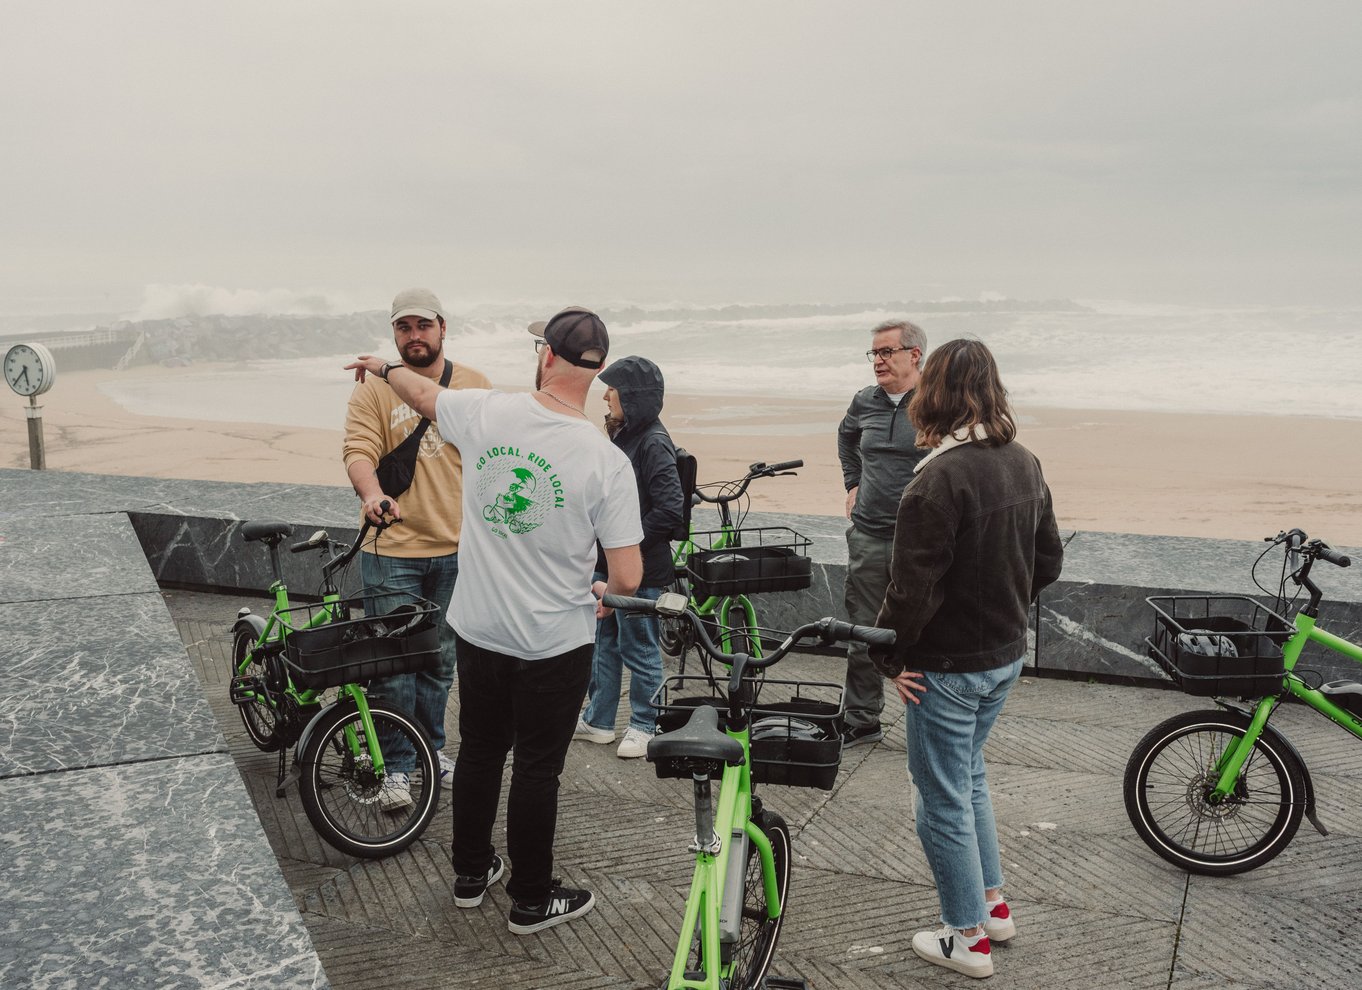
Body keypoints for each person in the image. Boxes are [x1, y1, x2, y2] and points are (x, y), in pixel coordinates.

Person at [345, 305, 643, 935]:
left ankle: (471, 874)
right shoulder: (605, 460)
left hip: (479, 627)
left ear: (547, 357)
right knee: (538, 767)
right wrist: (598, 588)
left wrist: (384, 364)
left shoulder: (490, 411)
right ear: (595, 372)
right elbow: (628, 577)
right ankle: (532, 898)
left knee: (480, 750)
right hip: (553, 641)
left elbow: (422, 392)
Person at [869, 338, 1064, 980]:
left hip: (948, 669)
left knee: (941, 798)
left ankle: (966, 938)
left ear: (935, 396)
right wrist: (1007, 610)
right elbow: (1048, 561)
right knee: (969, 778)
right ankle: (991, 903)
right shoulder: (1023, 460)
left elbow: (910, 590)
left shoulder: (938, 479)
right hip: (1004, 655)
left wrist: (889, 657)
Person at [342, 287, 490, 809]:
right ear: (394, 333)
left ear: (443, 328)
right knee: (392, 664)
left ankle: (429, 751)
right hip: (392, 552)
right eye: (403, 328)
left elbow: (492, 461)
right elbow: (358, 448)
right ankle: (396, 768)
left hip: (456, 551)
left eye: (423, 326)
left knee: (438, 661)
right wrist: (372, 493)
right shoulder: (373, 390)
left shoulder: (473, 385)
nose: (414, 336)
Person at [574, 356, 684, 759]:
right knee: (606, 641)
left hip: (641, 568)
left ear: (633, 396)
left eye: (613, 388)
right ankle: (599, 720)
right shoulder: (626, 435)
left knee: (639, 646)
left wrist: (629, 547)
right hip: (612, 563)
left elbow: (671, 509)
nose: (605, 395)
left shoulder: (653, 440)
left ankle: (645, 723)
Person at [836, 318, 929, 747]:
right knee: (863, 632)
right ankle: (861, 719)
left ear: (914, 354)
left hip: (922, 541)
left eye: (887, 351)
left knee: (928, 634)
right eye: (874, 352)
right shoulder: (864, 402)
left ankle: (932, 723)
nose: (878, 360)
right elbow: (846, 437)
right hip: (870, 534)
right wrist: (853, 483)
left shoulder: (936, 402)